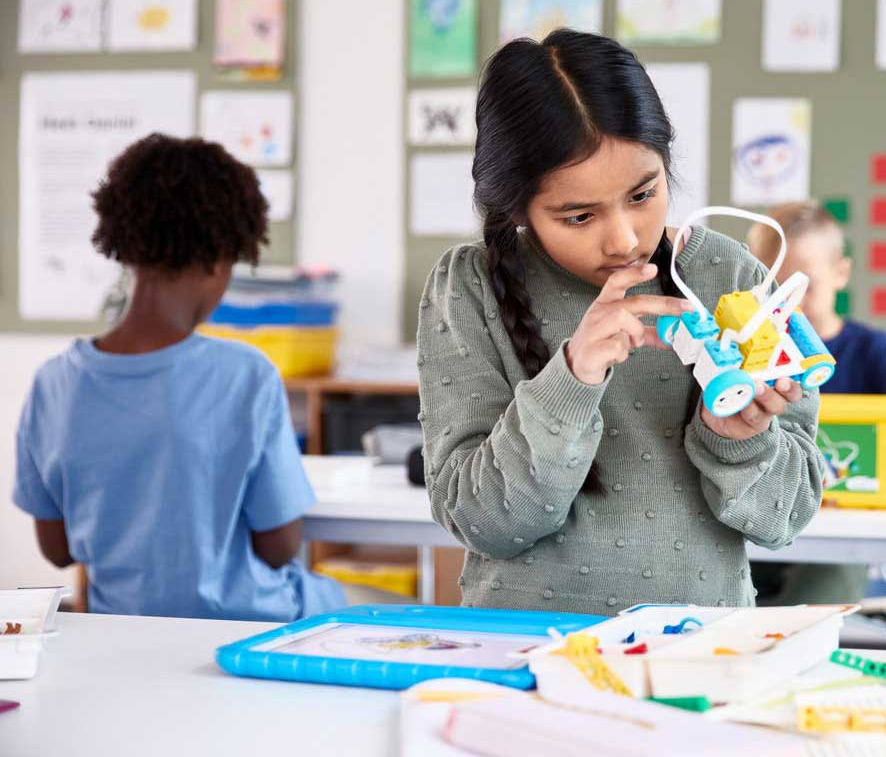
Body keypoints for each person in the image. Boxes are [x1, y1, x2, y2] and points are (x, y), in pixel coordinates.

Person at [417, 30, 824, 616]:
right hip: (522, 649)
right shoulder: (469, 288)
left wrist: (739, 442)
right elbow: (481, 521)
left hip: (700, 650)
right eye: (578, 216)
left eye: (643, 193)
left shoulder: (732, 277)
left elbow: (784, 519)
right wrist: (572, 379)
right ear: (516, 208)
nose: (625, 238)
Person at [12, 134, 345, 621]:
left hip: (119, 633)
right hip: (245, 630)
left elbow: (58, 548)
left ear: (125, 245)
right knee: (390, 610)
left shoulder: (53, 383)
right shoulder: (247, 376)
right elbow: (278, 547)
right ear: (218, 257)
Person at [746, 201, 886, 605]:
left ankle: (796, 652)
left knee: (823, 587)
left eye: (804, 283)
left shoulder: (868, 348)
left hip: (845, 526)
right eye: (772, 283)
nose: (788, 299)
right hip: (766, 516)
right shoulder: (748, 355)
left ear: (840, 274)